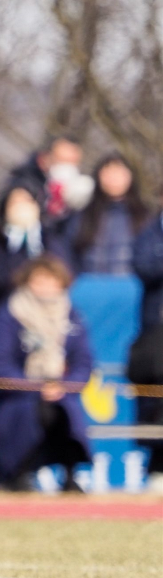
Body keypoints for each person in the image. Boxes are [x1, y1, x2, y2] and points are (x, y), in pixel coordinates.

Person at [0, 255, 92, 491]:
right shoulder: (8, 314)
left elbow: (84, 362)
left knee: (63, 411)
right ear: (26, 282)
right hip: (15, 395)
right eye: (39, 280)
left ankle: (70, 476)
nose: (46, 287)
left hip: (60, 392)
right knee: (35, 413)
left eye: (52, 281)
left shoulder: (72, 316)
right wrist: (34, 387)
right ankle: (20, 474)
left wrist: (64, 386)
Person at [0, 186, 71, 312]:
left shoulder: (50, 238)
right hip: (7, 307)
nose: (21, 207)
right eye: (14, 203)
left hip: (48, 307)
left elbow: (62, 270)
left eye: (26, 201)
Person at [62, 154, 149, 275]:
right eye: (108, 173)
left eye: (119, 173)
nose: (113, 178)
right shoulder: (83, 216)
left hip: (132, 286)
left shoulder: (145, 216)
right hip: (88, 285)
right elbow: (68, 252)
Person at [130, 204, 163, 492]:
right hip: (156, 331)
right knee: (155, 395)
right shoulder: (149, 231)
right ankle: (157, 465)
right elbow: (143, 266)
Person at [4, 136, 93, 224]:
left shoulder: (79, 193)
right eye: (61, 161)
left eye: (72, 163)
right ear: (45, 159)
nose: (66, 169)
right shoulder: (25, 182)